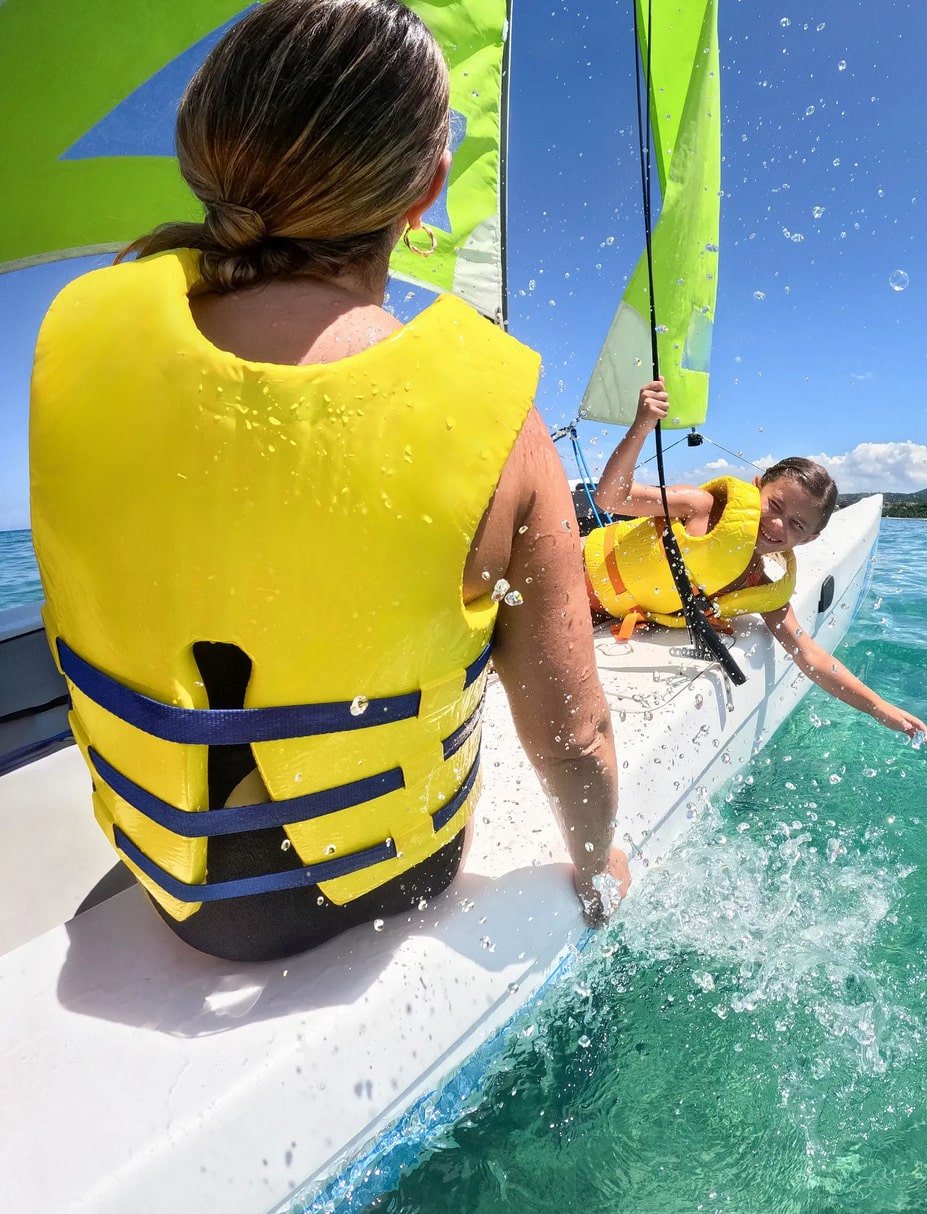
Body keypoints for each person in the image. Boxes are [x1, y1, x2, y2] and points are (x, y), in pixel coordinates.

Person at [28, 0, 627, 961]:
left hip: (152, 866)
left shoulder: (76, 345)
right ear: (427, 188)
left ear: (207, 147)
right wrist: (598, 865)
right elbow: (575, 737)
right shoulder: (501, 428)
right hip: (373, 882)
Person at [586, 380, 927, 743]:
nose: (777, 524)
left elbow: (810, 657)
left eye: (797, 524)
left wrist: (881, 709)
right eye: (775, 505)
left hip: (602, 614)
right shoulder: (701, 507)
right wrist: (642, 424)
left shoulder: (765, 590)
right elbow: (612, 498)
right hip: (571, 572)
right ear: (755, 488)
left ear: (809, 539)